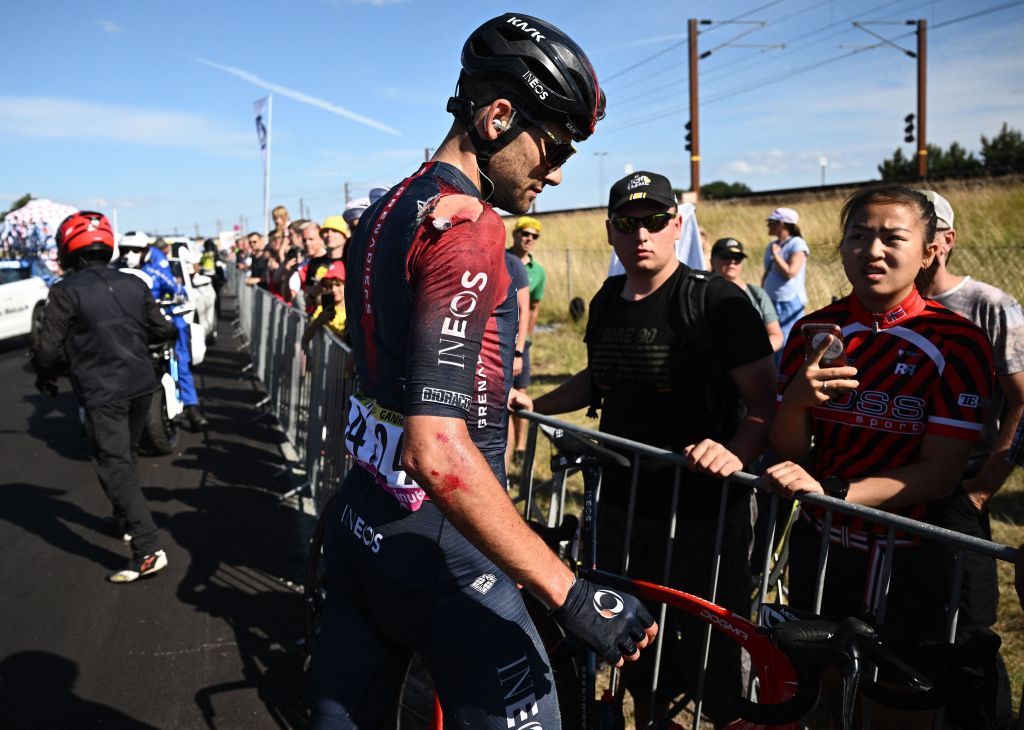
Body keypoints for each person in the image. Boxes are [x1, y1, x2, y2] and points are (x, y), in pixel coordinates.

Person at [309, 14, 657, 729]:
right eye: (554, 145)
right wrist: (570, 594)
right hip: (445, 555)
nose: (557, 172)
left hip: (361, 526)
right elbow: (437, 449)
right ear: (499, 116)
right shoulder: (468, 226)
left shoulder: (387, 209)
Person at [521, 171, 777, 725]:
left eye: (656, 221)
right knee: (634, 630)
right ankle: (652, 715)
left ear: (677, 226)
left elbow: (764, 401)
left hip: (704, 510)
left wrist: (736, 450)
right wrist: (537, 404)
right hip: (621, 502)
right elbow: (600, 378)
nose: (643, 234)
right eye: (628, 223)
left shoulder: (717, 301)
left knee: (712, 640)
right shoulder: (609, 298)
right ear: (610, 233)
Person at [764, 184, 994, 724]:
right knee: (819, 692)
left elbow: (939, 475)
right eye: (858, 236)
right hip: (824, 548)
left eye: (893, 237)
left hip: (911, 554)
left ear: (930, 249)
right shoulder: (811, 331)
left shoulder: (957, 341)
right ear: (841, 246)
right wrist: (795, 404)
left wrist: (835, 493)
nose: (873, 251)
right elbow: (790, 449)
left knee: (897, 700)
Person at [914, 189, 1022, 728]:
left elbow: (1023, 399)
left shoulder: (989, 306)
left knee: (971, 629)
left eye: (923, 225)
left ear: (945, 240)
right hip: (898, 487)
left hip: (962, 492)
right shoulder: (887, 303)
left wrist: (986, 483)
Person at [31, 212, 177, 583]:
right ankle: (124, 520)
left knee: (114, 464)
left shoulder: (65, 290)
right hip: (142, 385)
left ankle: (146, 548)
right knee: (124, 456)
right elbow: (164, 329)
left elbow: (47, 352)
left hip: (103, 391)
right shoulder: (133, 283)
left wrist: (50, 373)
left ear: (66, 248)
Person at [141, 238, 208, 430]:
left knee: (180, 361)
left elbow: (177, 289)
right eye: (126, 250)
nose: (131, 254)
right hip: (135, 327)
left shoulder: (157, 267)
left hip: (165, 323)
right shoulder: (120, 271)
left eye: (136, 250)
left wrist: (175, 298)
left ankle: (190, 406)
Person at [507, 216, 546, 466]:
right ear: (516, 234)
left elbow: (534, 307)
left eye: (534, 236)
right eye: (525, 234)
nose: (529, 239)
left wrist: (525, 340)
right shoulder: (500, 258)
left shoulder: (538, 272)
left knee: (520, 393)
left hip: (522, 344)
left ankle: (520, 448)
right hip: (499, 341)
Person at [709, 237, 783, 351]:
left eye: (737, 258)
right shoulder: (702, 292)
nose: (732, 261)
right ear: (712, 261)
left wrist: (756, 354)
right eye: (725, 257)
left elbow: (776, 335)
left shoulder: (757, 294)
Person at [760, 206, 809, 349]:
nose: (768, 225)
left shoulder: (797, 244)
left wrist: (776, 255)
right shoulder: (772, 245)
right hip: (770, 300)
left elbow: (790, 272)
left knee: (788, 340)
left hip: (789, 301)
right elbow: (768, 272)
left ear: (781, 224)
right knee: (773, 338)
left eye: (771, 222)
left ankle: (787, 371)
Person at [504, 249, 530, 474]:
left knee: (507, 407)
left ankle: (506, 469)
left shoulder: (513, 264)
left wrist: (519, 351)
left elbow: (525, 309)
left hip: (510, 351)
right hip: (484, 353)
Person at [300, 261, 346, 350]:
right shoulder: (322, 309)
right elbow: (305, 339)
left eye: (338, 285)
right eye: (329, 285)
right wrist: (320, 320)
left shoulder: (352, 312)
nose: (333, 289)